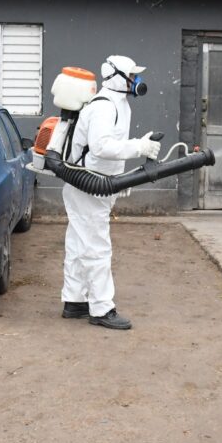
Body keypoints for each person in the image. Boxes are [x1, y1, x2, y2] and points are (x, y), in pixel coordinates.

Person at [60, 55, 161, 330]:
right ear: (116, 76)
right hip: (87, 185)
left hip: (98, 184)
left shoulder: (120, 104)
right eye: (132, 75)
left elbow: (110, 150)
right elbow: (102, 146)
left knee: (79, 244)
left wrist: (120, 180)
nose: (136, 81)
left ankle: (75, 301)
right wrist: (138, 147)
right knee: (97, 247)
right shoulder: (104, 106)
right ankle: (102, 308)